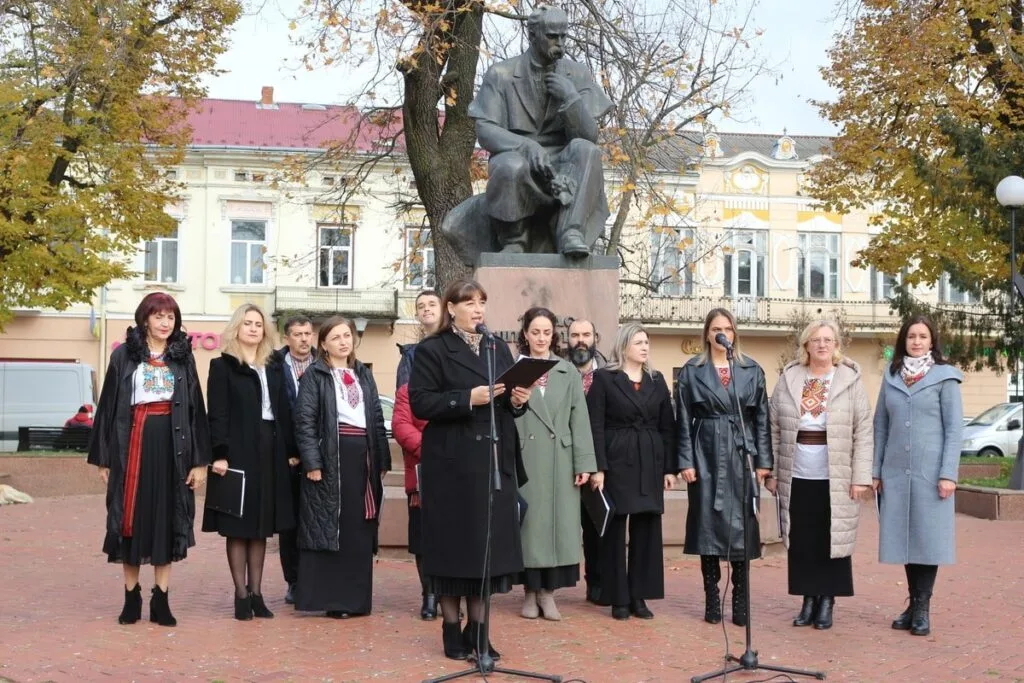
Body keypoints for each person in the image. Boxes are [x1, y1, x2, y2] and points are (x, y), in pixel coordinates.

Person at [408, 279, 532, 660]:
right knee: (453, 548)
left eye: (482, 302)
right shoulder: (433, 349)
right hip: (452, 463)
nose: (478, 309)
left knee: (485, 550)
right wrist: (466, 398)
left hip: (493, 461)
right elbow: (420, 403)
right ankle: (451, 628)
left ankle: (479, 632)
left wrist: (518, 400)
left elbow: (508, 403)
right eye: (469, 303)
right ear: (451, 308)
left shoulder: (497, 347)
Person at [87, 292, 211, 627]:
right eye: (159, 316)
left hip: (173, 446)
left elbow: (196, 408)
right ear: (145, 319)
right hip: (133, 445)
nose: (165, 323)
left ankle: (161, 599)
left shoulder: (182, 356)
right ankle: (132, 596)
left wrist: (200, 461)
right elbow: (108, 406)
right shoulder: (124, 355)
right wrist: (104, 458)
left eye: (170, 317)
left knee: (166, 517)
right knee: (132, 518)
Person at [467, 4, 613, 257]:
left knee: (587, 150)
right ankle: (514, 241)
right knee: (510, 165)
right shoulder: (501, 74)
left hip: (562, 160)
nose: (560, 43)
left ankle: (571, 232)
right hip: (516, 156)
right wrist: (526, 146)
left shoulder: (577, 75)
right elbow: (486, 130)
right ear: (533, 35)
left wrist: (571, 98)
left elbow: (589, 136)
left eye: (564, 36)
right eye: (552, 36)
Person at [767, 320, 873, 630]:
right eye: (816, 340)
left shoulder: (850, 381)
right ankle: (807, 598)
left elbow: (863, 431)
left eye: (828, 340)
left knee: (831, 535)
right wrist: (772, 471)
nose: (822, 345)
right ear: (806, 346)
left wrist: (860, 477)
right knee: (802, 537)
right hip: (797, 472)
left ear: (836, 345)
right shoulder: (789, 379)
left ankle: (827, 599)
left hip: (836, 474)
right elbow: (774, 427)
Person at [675, 308, 772, 626]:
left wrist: (763, 461)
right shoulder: (692, 371)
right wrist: (685, 460)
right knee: (707, 526)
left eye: (728, 329)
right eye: (717, 329)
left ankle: (741, 598)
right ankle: (712, 597)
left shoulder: (751, 369)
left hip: (741, 454)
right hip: (705, 451)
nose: (722, 334)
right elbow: (682, 419)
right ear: (707, 333)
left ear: (734, 334)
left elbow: (762, 418)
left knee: (743, 528)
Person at [293, 316, 391, 618]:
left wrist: (382, 460)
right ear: (323, 344)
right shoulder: (315, 375)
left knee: (359, 526)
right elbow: (304, 421)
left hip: (364, 456)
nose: (343, 342)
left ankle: (356, 599)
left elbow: (376, 418)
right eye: (335, 337)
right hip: (332, 456)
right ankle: (334, 600)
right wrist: (312, 462)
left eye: (347, 335)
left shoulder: (363, 374)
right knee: (333, 525)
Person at [202, 304, 296, 620]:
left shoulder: (274, 365)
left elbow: (284, 410)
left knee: (261, 526)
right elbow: (217, 413)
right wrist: (219, 453)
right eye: (248, 323)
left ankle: (257, 593)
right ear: (236, 328)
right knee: (238, 525)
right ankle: (240, 595)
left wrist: (291, 449)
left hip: (270, 448)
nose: (254, 328)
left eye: (258, 324)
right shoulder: (222, 366)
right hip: (238, 450)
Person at [873, 315, 963, 637]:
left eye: (923, 336)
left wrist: (948, 474)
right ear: (904, 340)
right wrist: (876, 470)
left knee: (927, 539)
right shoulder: (892, 376)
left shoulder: (945, 377)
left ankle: (923, 607)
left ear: (932, 341)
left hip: (931, 473)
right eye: (911, 336)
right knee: (906, 540)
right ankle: (913, 604)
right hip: (896, 473)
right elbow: (880, 425)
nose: (917, 342)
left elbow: (954, 429)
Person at [586, 322, 676, 620]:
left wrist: (669, 469)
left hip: (649, 460)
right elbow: (595, 425)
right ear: (624, 347)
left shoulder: (657, 380)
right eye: (638, 342)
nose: (645, 347)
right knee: (614, 530)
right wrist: (598, 467)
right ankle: (618, 597)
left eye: (646, 342)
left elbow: (668, 426)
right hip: (616, 460)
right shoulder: (604, 379)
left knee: (647, 529)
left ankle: (639, 596)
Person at [514, 307, 596, 620]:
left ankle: (548, 593)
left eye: (546, 332)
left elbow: (580, 419)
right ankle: (529, 592)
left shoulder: (568, 371)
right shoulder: (516, 370)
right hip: (526, 458)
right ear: (525, 334)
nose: (541, 338)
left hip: (560, 459)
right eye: (535, 332)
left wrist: (584, 463)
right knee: (530, 527)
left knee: (558, 525)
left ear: (554, 335)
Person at [392, 290, 442, 620]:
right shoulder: (406, 389)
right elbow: (401, 424)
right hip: (422, 469)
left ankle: (451, 591)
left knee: (451, 536)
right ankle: (430, 594)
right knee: (423, 538)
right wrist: (432, 448)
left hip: (455, 468)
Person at [276, 315, 315, 605]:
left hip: (319, 455)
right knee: (289, 524)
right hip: (287, 458)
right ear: (286, 338)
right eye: (298, 334)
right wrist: (287, 451)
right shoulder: (274, 365)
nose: (304, 339)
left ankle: (314, 578)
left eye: (308, 333)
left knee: (314, 520)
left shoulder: (324, 363)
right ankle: (293, 580)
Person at [567, 318, 605, 604]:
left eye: (586, 334)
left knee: (596, 527)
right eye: (575, 335)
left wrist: (598, 465)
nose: (581, 340)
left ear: (595, 338)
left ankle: (598, 583)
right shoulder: (557, 371)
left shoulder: (610, 374)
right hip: (563, 459)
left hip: (599, 463)